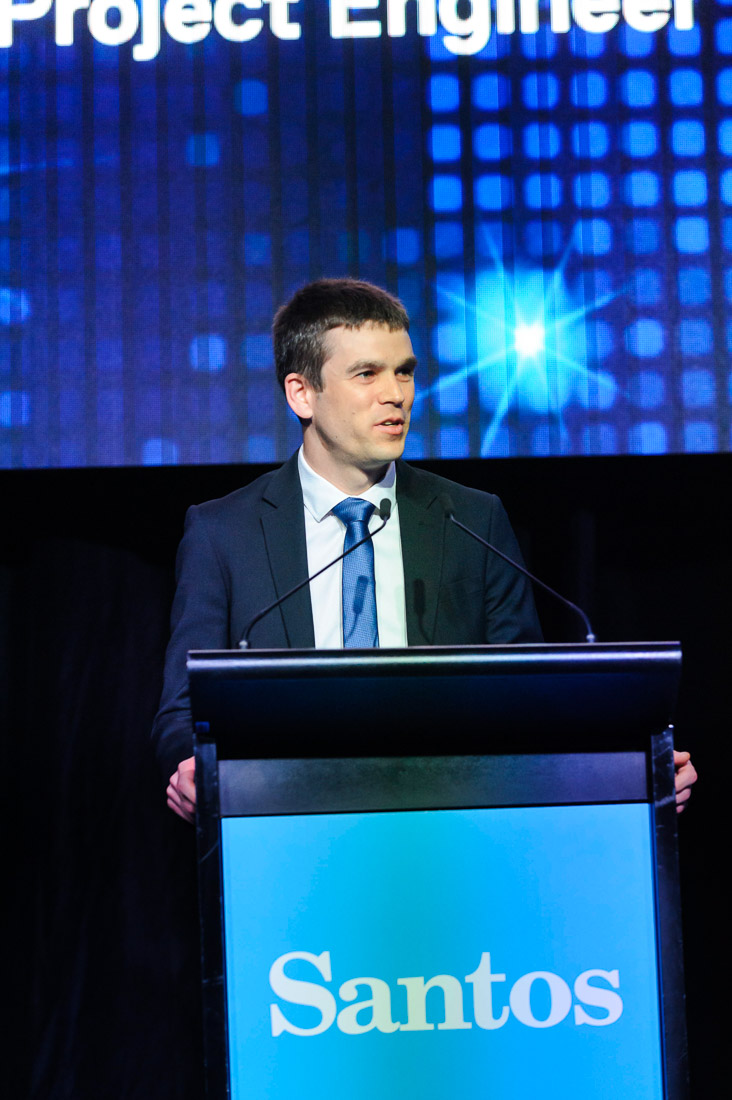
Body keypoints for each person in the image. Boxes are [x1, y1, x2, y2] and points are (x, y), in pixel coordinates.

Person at [153, 278, 697, 822]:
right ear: (302, 394)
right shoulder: (223, 533)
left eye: (404, 371)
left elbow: (529, 706)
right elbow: (181, 711)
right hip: (281, 824)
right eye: (366, 374)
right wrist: (188, 766)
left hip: (447, 824)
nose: (396, 394)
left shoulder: (471, 520)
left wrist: (631, 762)